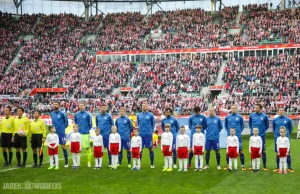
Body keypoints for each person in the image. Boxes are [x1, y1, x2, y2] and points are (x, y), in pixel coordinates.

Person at [224, 105, 246, 170]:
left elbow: (242, 126)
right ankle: (228, 165)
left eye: (234, 108)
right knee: (228, 150)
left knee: (240, 151)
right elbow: (226, 126)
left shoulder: (239, 117)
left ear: (236, 109)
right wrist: (229, 132)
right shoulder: (227, 117)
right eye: (232, 108)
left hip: (238, 137)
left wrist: (238, 133)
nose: (233, 109)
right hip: (229, 137)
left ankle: (242, 165)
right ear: (231, 109)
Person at [249, 103, 269, 171]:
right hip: (253, 136)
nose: (255, 109)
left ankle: (264, 165)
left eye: (257, 107)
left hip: (261, 135)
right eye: (255, 107)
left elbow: (267, 125)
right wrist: (253, 132)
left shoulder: (265, 116)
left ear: (260, 108)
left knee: (263, 150)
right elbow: (250, 124)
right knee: (252, 150)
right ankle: (252, 165)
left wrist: (262, 131)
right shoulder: (251, 115)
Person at [272, 108, 293, 172]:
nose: (281, 111)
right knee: (277, 152)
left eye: (282, 110)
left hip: (286, 138)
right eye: (280, 110)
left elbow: (290, 128)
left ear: (284, 111)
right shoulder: (275, 120)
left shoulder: (288, 120)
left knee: (288, 152)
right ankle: (278, 167)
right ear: (278, 111)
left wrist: (286, 134)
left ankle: (289, 168)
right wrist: (277, 134)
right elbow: (274, 128)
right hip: (277, 137)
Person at [137, 102, 155, 168]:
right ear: (141, 107)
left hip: (148, 134)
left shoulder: (150, 115)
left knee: (150, 149)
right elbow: (138, 124)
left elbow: (153, 124)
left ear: (147, 107)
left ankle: (152, 163)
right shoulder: (139, 115)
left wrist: (151, 131)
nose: (144, 107)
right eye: (143, 106)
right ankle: (139, 163)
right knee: (140, 149)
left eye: (145, 106)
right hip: (141, 134)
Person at [50, 102, 69, 168]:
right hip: (54, 133)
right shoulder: (51, 113)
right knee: (54, 147)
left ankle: (66, 162)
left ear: (59, 106)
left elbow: (66, 123)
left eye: (56, 104)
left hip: (61, 133)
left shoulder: (62, 114)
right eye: (54, 104)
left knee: (63, 147)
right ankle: (54, 162)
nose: (55, 105)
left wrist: (62, 129)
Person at [75, 102, 92, 167]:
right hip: (78, 134)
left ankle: (89, 162)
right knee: (78, 148)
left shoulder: (88, 115)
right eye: (80, 105)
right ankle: (78, 162)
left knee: (88, 148)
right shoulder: (76, 114)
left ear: (84, 106)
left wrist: (86, 130)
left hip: (86, 134)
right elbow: (76, 124)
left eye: (82, 105)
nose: (81, 106)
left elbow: (90, 125)